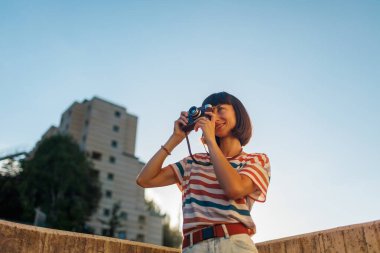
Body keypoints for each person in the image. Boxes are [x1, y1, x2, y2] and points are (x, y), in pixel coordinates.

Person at [136, 92, 271, 253]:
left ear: (238, 113)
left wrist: (211, 142)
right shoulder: (192, 162)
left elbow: (235, 189)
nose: (214, 117)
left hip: (235, 244)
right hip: (193, 246)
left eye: (220, 109)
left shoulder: (256, 160)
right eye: (210, 113)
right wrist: (175, 138)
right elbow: (145, 180)